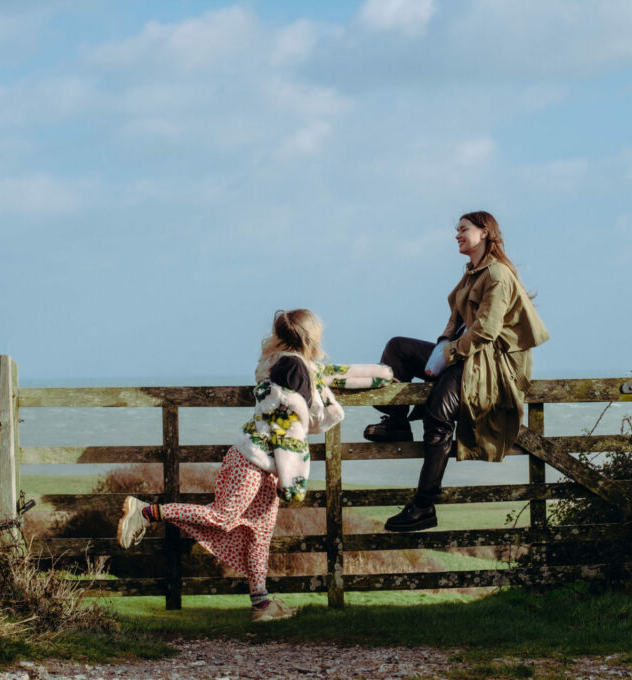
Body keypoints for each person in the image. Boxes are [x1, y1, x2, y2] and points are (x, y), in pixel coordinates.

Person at [116, 309, 343, 621]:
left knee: (260, 533)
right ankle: (145, 512)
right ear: (309, 336)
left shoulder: (293, 365)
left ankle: (261, 605)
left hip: (267, 463)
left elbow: (318, 390)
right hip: (254, 459)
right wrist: (290, 475)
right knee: (223, 517)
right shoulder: (292, 367)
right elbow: (284, 425)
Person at [364, 211, 549, 532]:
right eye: (457, 230)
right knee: (398, 348)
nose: (457, 235)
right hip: (464, 354)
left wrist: (447, 354)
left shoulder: (497, 275)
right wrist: (440, 347)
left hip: (489, 362)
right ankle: (395, 423)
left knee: (438, 415)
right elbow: (456, 322)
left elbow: (487, 331)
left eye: (463, 229)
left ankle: (423, 506)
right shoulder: (471, 274)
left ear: (485, 232)